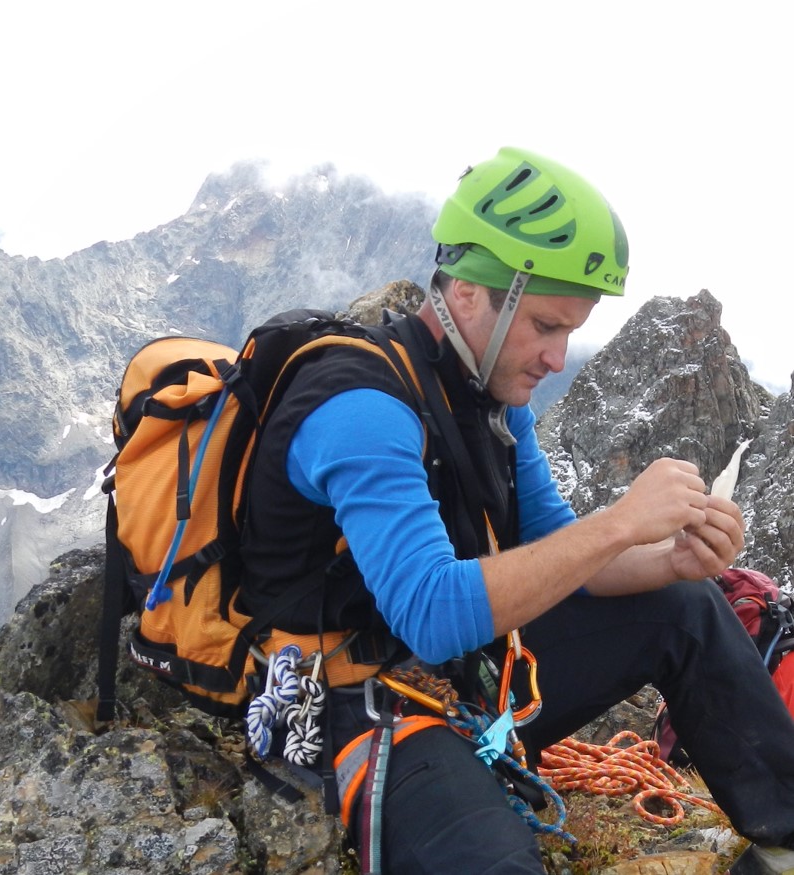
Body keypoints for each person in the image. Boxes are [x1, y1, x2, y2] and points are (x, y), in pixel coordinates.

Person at [238, 146, 794, 873]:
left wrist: (667, 561)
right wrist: (621, 521)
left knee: (685, 603)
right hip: (345, 700)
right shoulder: (361, 408)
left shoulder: (492, 401)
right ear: (467, 291)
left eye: (569, 330)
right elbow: (432, 613)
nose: (559, 357)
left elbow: (568, 558)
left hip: (454, 677)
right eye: (545, 326)